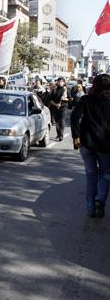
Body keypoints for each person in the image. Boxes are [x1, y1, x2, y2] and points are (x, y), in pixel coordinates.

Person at [71, 74, 110, 218]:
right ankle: (100, 199)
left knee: (91, 175)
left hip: (86, 144)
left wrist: (76, 136)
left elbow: (75, 116)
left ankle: (90, 208)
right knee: (106, 174)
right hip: (105, 146)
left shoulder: (86, 100)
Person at [50, 77, 68, 141]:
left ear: (64, 82)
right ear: (57, 82)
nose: (60, 82)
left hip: (63, 107)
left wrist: (65, 99)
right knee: (57, 122)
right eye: (59, 81)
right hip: (55, 107)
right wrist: (56, 104)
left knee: (62, 121)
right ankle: (58, 133)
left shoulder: (66, 89)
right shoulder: (54, 89)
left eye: (61, 81)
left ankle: (61, 135)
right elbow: (51, 100)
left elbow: (70, 98)